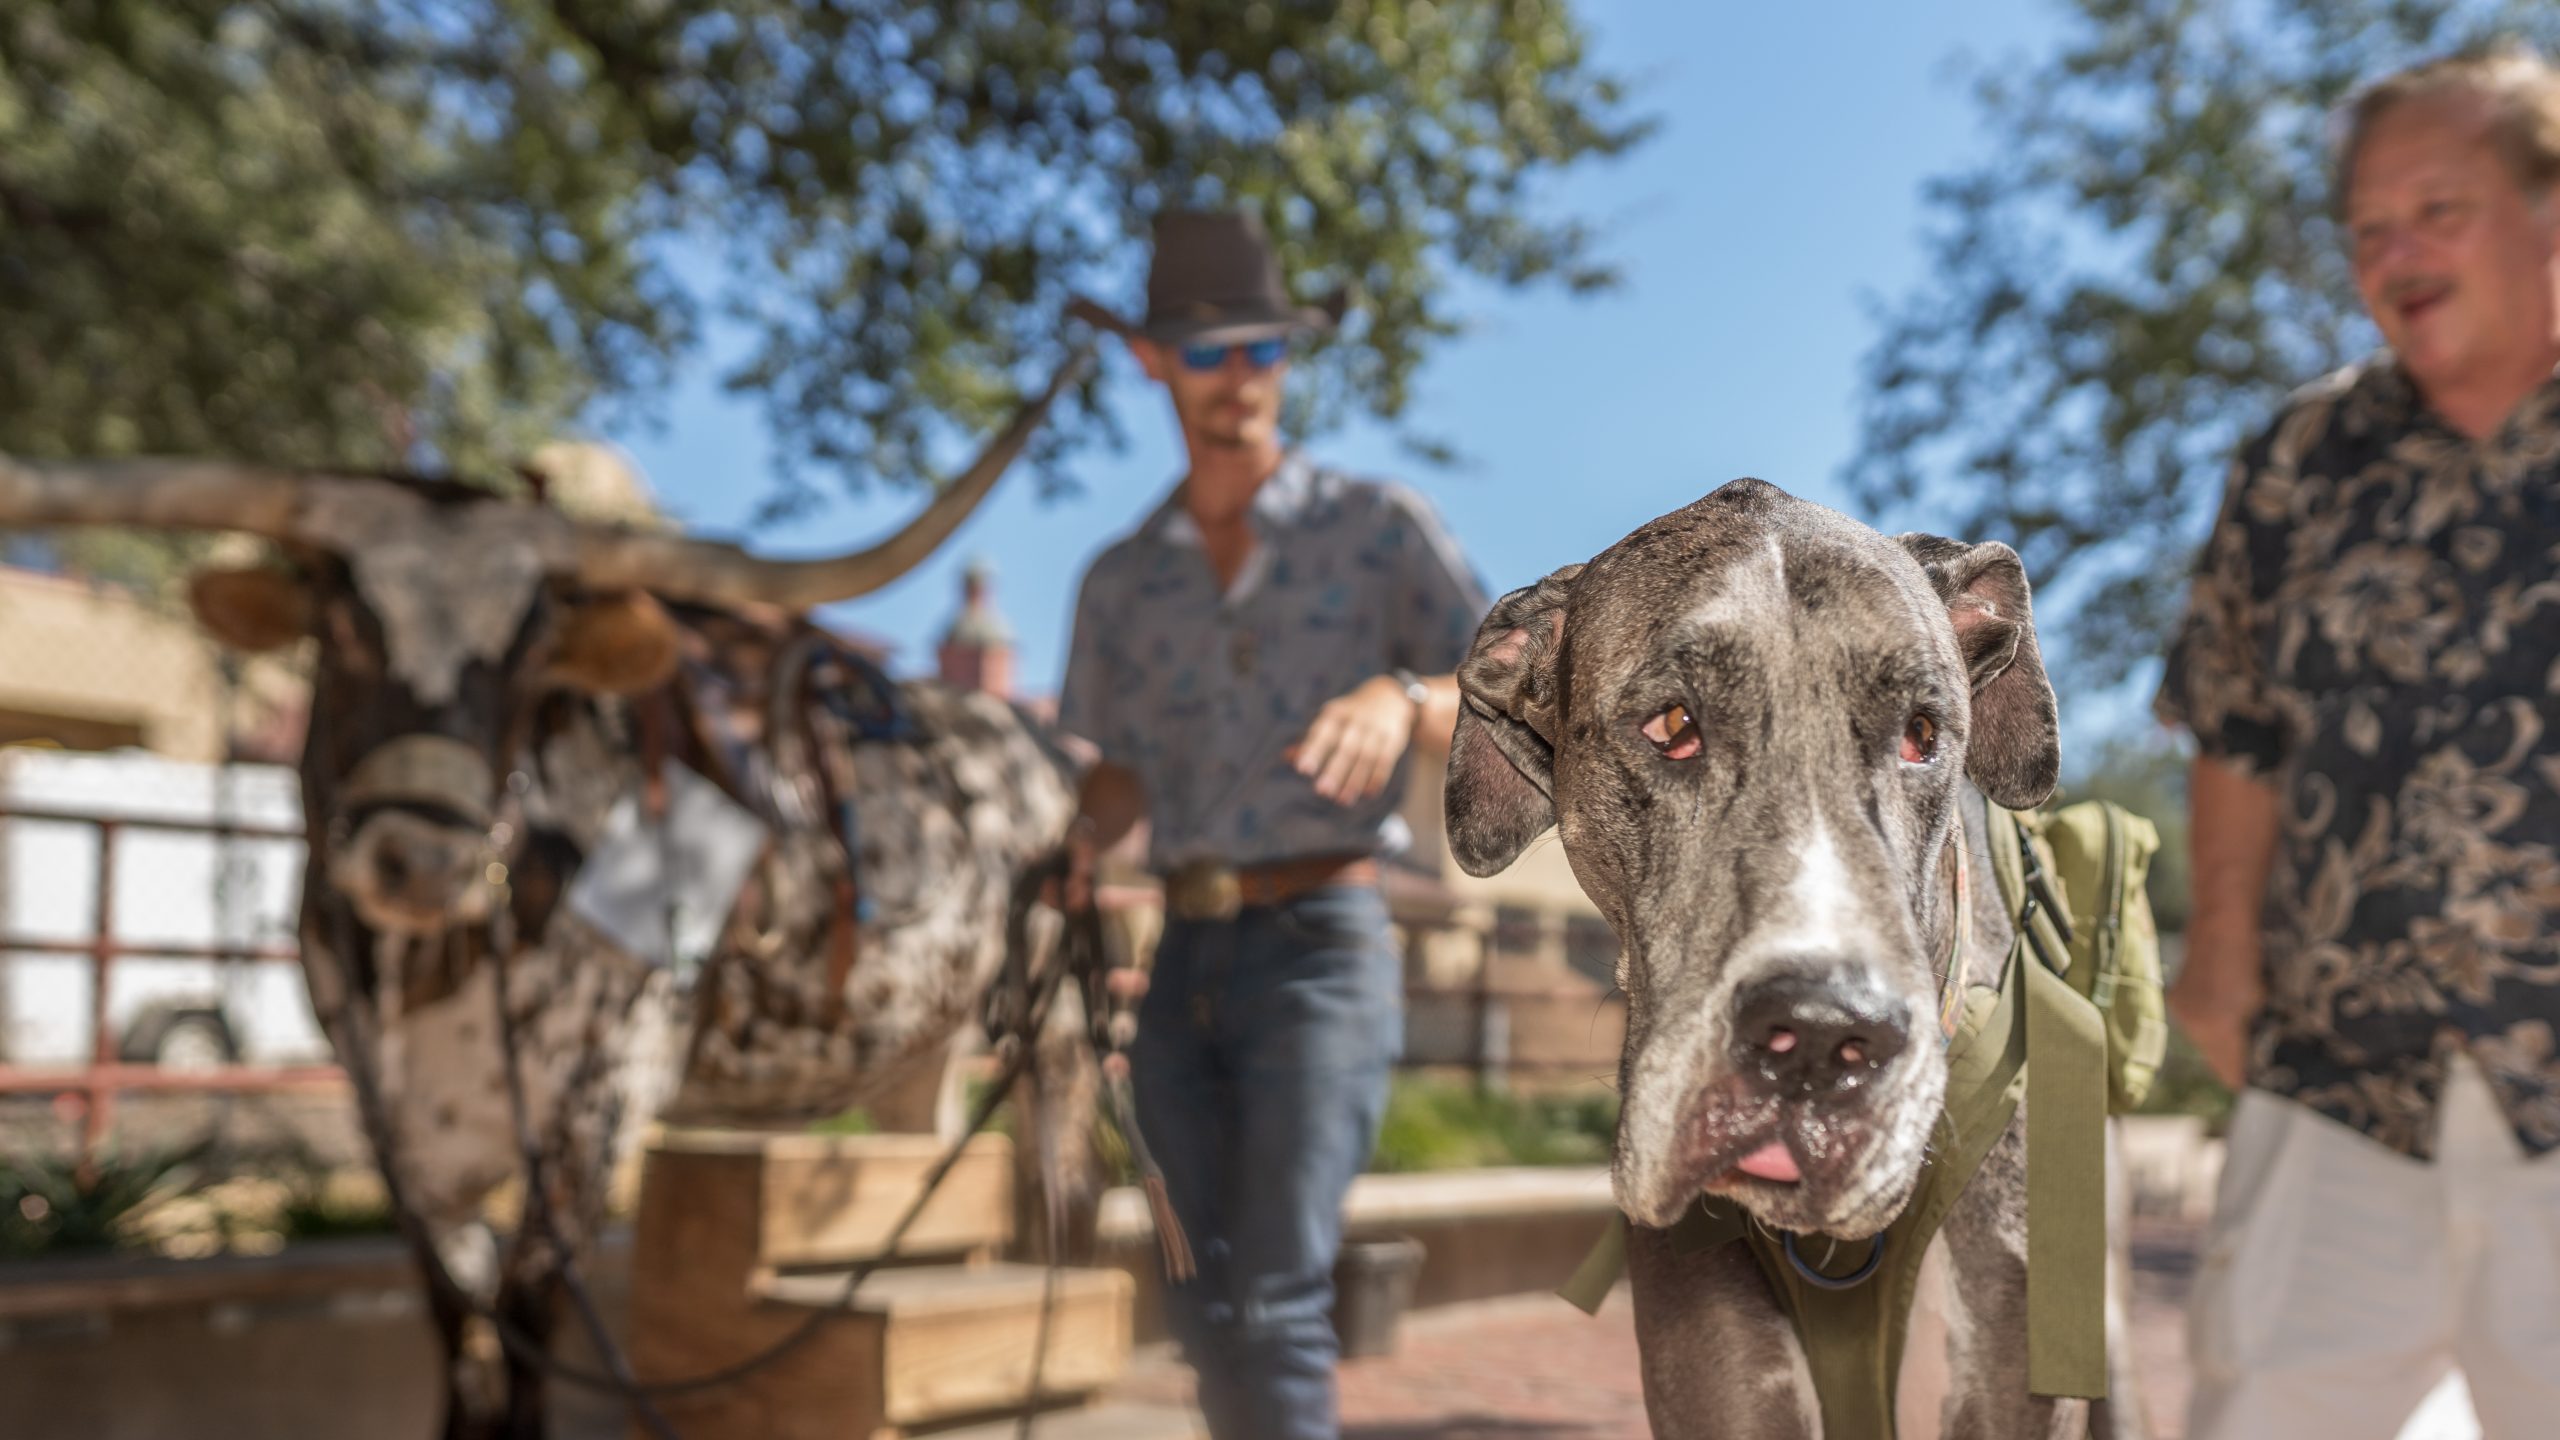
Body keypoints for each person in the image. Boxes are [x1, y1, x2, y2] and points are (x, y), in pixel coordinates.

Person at [2156, 47, 2560, 1440]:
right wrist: (2218, 950)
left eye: (2438, 209)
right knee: (2262, 1405)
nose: (2397, 252)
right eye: (2369, 228)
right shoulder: (2300, 456)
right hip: (2335, 1069)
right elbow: (2237, 716)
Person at [1057, 209, 1489, 1440]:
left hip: (1323, 949)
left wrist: (1401, 698)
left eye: (1259, 348)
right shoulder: (1118, 579)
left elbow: (1512, 696)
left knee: (1279, 1298)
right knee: (1200, 1302)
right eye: (1203, 353)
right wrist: (1067, 848)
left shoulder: (1376, 527)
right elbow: (1120, 777)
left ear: (1289, 359)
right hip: (1183, 961)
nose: (1235, 378)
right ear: (1153, 365)